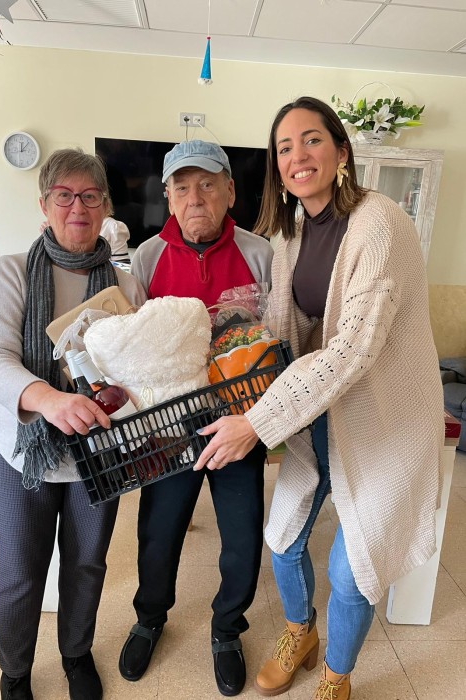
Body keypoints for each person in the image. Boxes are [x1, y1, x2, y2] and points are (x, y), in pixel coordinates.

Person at [193, 97, 444, 699]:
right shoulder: (291, 233)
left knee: (351, 568)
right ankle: (300, 632)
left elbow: (353, 349)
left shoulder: (380, 223)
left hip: (387, 417)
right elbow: (288, 334)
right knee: (282, 540)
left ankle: (336, 675)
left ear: (341, 150)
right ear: (276, 166)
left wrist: (257, 422)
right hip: (324, 409)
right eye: (284, 147)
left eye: (311, 140)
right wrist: (239, 370)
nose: (297, 156)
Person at [0, 148, 147, 700]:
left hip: (99, 454)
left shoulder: (126, 286)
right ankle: (14, 672)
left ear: (105, 207)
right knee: (18, 573)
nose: (78, 207)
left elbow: (139, 369)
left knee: (87, 565)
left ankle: (75, 654)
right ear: (44, 204)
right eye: (64, 196)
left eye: (90, 196)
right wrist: (48, 399)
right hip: (20, 450)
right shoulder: (12, 271)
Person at [122, 139, 273, 696]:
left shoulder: (261, 254)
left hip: (238, 424)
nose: (195, 198)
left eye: (207, 184)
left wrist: (261, 421)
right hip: (168, 426)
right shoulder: (146, 259)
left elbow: (278, 340)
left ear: (230, 190)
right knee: (158, 533)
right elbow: (133, 347)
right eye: (182, 188)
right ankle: (149, 618)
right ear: (167, 197)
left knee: (242, 537)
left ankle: (228, 628)